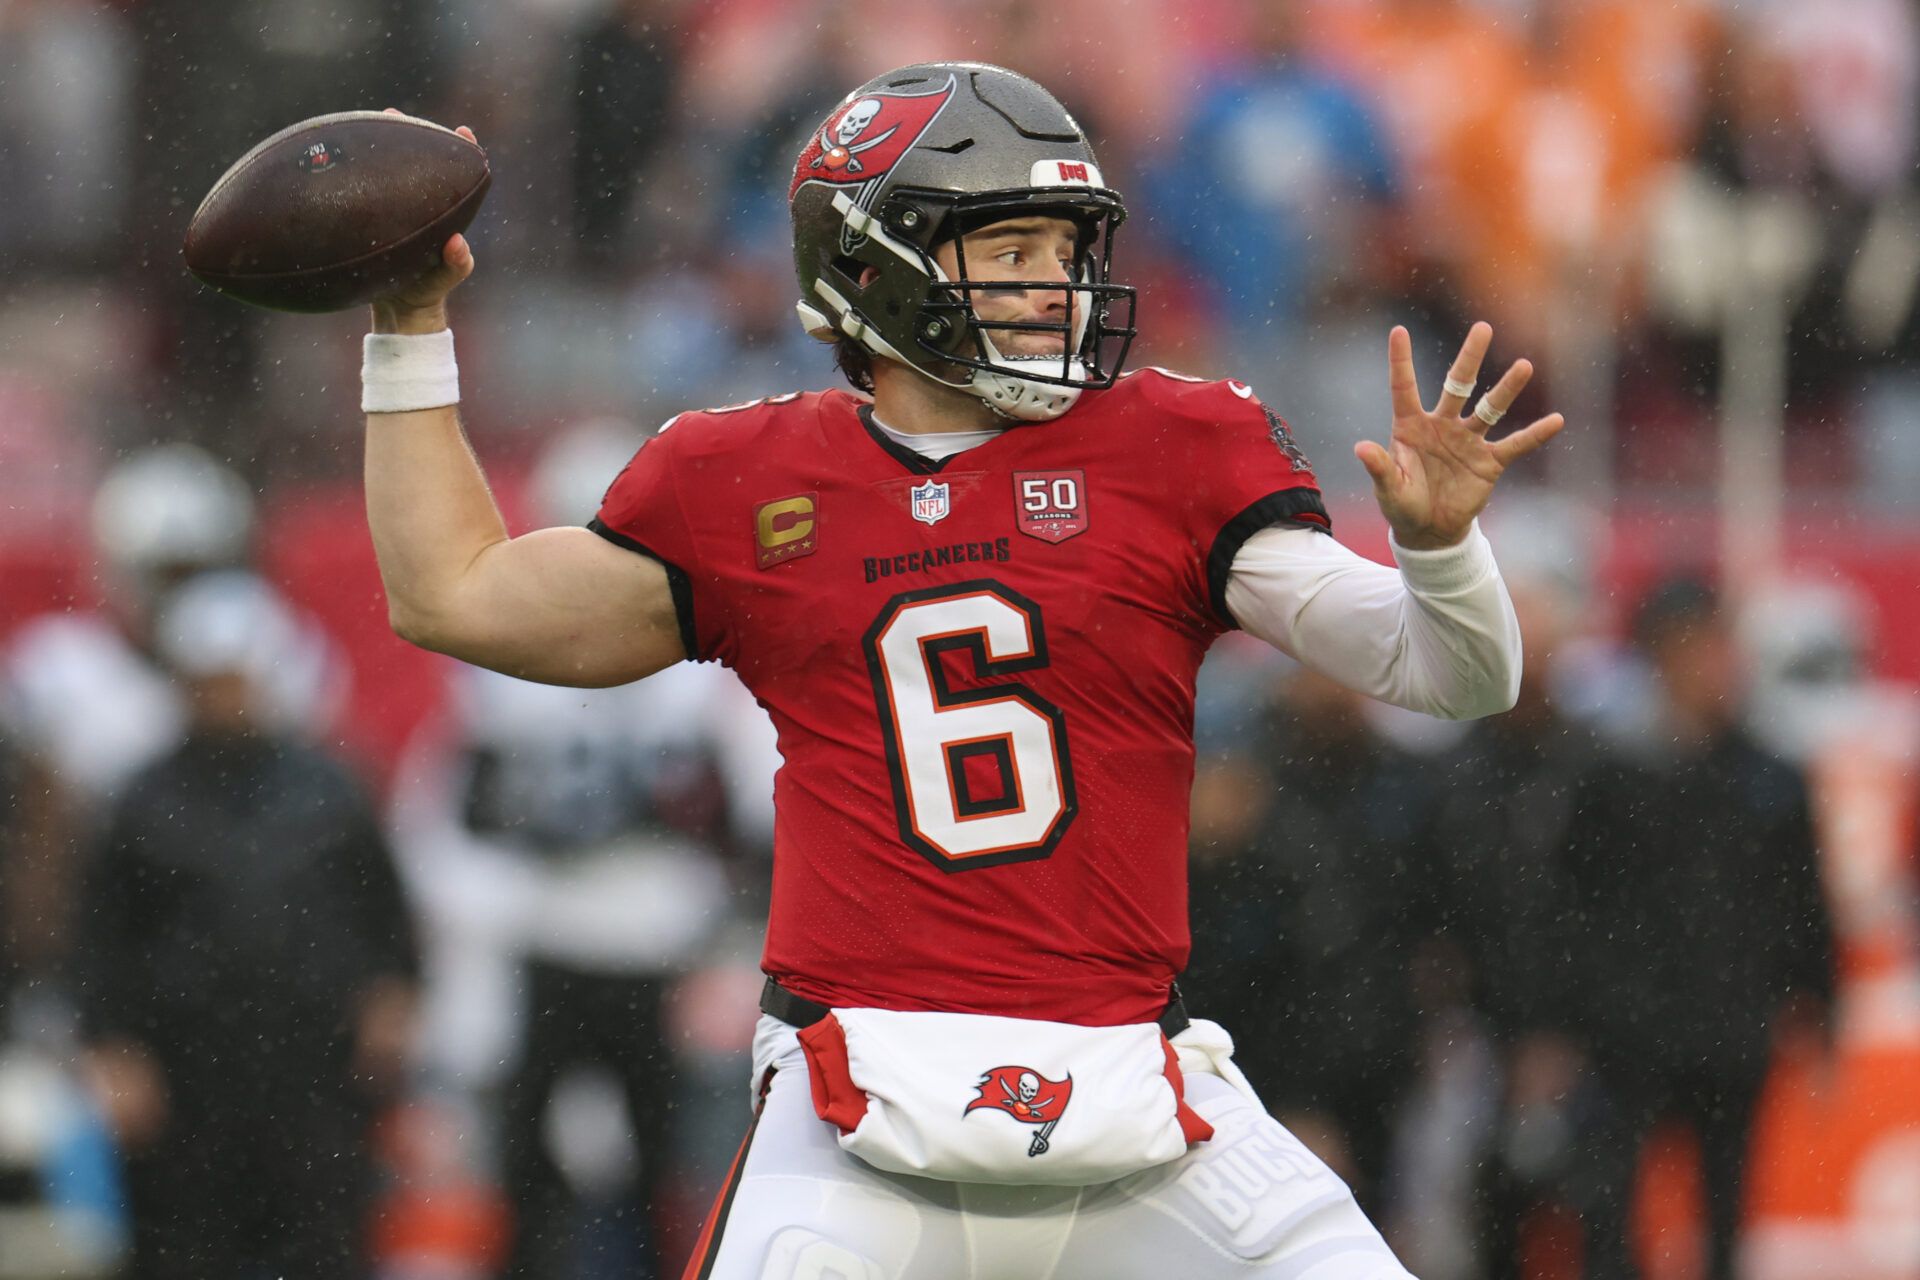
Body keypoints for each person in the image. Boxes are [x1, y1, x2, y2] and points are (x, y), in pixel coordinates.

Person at [351, 64, 1560, 1279]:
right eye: (1013, 245)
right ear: (871, 267)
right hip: (857, 1099)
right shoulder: (749, 480)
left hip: (1141, 1098)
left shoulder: (1169, 449)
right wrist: (408, 329)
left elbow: (1449, 672)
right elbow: (455, 592)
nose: (1056, 282)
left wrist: (1440, 545)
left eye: (1065, 245)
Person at [71, 572, 419, 1280]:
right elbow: (102, 934)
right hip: (184, 1067)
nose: (220, 695)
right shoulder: (141, 797)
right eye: (205, 679)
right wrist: (109, 1046)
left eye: (232, 677)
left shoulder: (331, 786)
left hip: (313, 1059)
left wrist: (394, 998)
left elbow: (385, 912)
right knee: (183, 1246)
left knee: (324, 1239)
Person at [1563, 577, 1834, 1280]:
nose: (1715, 664)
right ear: (1659, 657)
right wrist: (1577, 1012)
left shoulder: (1770, 774)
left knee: (1725, 1209)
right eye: (1696, 646)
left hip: (1732, 1029)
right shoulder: (1613, 773)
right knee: (1612, 1210)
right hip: (1629, 1036)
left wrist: (1815, 1003)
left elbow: (1802, 899)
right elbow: (1573, 902)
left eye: (1722, 645)